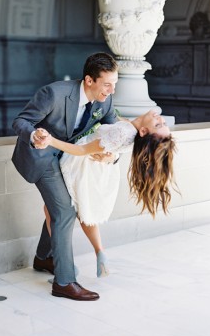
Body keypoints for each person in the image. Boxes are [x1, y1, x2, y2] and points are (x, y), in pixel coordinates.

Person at [11, 52, 119, 301]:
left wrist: (110, 156)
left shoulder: (106, 102)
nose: (111, 90)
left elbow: (114, 135)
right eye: (107, 84)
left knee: (57, 206)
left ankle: (43, 258)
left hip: (69, 161)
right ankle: (64, 282)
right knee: (64, 211)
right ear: (89, 80)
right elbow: (21, 121)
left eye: (115, 84)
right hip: (41, 156)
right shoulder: (54, 94)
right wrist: (34, 135)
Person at [38, 109, 176, 278]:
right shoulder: (132, 134)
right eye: (162, 123)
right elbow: (113, 143)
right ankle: (99, 252)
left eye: (158, 124)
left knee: (52, 209)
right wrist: (111, 157)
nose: (160, 118)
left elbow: (81, 150)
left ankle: (65, 264)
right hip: (95, 168)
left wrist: (51, 141)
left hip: (80, 162)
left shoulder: (124, 131)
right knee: (84, 211)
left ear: (144, 131)